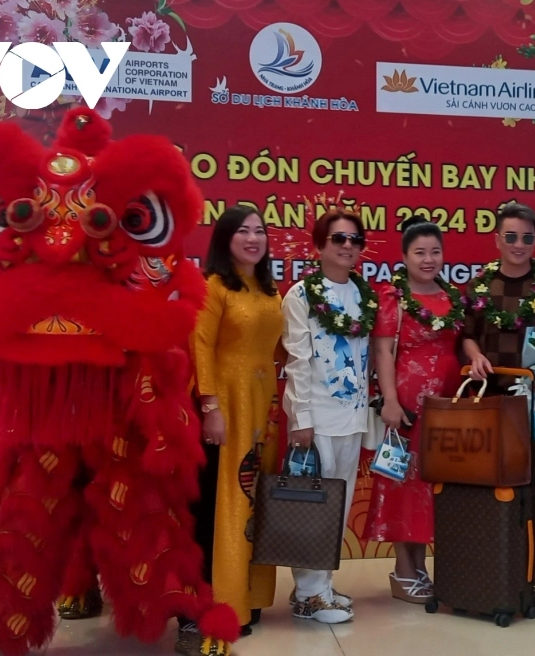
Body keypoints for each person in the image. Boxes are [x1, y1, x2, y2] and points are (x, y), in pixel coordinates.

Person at [182, 206, 283, 652]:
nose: (253, 238)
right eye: (243, 231)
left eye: (260, 231)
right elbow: (200, 346)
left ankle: (249, 595)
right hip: (225, 403)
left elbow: (280, 348)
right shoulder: (214, 286)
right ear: (225, 239)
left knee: (255, 498)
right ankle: (218, 603)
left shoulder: (269, 290)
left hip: (262, 407)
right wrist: (210, 407)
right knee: (222, 502)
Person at [462, 203, 535, 611]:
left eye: (526, 237)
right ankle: (488, 573)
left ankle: (532, 577)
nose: (519, 244)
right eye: (510, 236)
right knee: (489, 491)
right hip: (490, 406)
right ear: (497, 239)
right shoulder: (479, 286)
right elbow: (466, 335)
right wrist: (474, 354)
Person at [281, 208, 374, 624]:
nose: (348, 246)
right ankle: (308, 595)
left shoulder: (363, 294)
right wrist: (300, 417)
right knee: (313, 507)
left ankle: (322, 585)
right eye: (339, 239)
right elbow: (298, 361)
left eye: (355, 240)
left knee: (338, 506)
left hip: (352, 417)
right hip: (315, 417)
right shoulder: (300, 295)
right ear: (320, 245)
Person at [364, 216, 462, 603]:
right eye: (420, 252)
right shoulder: (394, 296)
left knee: (431, 485)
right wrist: (389, 400)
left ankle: (420, 567)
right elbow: (383, 350)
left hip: (447, 408)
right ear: (404, 256)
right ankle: (403, 570)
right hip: (407, 407)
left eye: (435, 251)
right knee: (404, 484)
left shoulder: (452, 297)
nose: (428, 259)